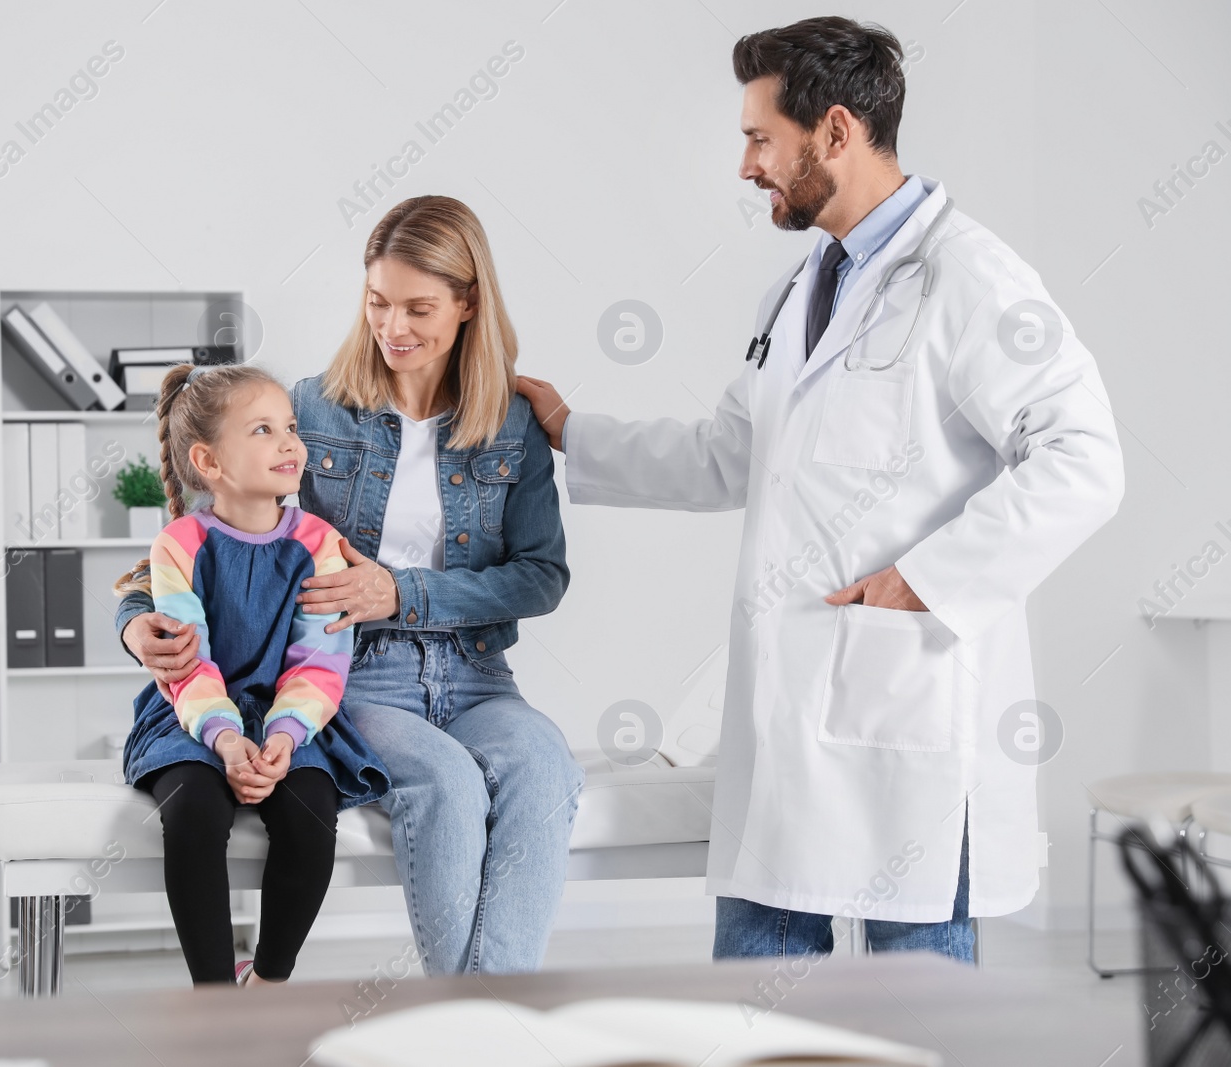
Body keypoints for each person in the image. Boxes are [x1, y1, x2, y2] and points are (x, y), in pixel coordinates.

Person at [517, 16, 1123, 963]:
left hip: (907, 702)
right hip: (787, 723)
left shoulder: (970, 277)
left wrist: (926, 579)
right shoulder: (805, 287)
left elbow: (1085, 456)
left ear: (834, 132)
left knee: (916, 1012)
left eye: (761, 138)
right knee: (756, 1000)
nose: (747, 165)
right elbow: (728, 453)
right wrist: (571, 432)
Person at [117, 196, 582, 975]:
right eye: (378, 302)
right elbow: (199, 537)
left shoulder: (512, 425)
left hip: (478, 677)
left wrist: (406, 593)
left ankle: (484, 1021)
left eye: (419, 308)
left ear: (469, 304)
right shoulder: (308, 410)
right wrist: (136, 621)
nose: (393, 327)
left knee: (545, 766)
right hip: (355, 678)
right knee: (447, 784)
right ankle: (478, 1023)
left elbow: (542, 575)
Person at [114, 362, 388, 987]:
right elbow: (188, 662)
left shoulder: (320, 543)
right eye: (263, 429)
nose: (290, 442)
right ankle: (213, 996)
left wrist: (285, 739)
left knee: (311, 816)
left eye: (291, 427)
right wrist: (227, 740)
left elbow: (319, 660)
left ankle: (266, 982)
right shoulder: (179, 545)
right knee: (193, 816)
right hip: (192, 714)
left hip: (290, 715)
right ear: (208, 462)